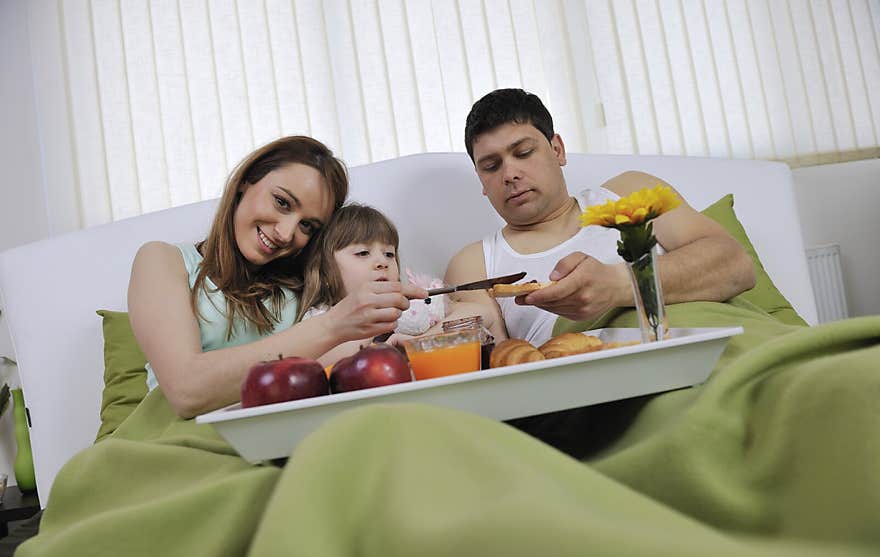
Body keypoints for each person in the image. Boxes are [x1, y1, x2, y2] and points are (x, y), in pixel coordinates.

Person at [128, 136, 426, 419]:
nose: (285, 233)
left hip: (282, 434)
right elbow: (186, 390)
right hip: (181, 443)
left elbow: (321, 366)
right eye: (282, 202)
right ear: (247, 180)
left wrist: (384, 349)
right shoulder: (162, 261)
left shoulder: (306, 288)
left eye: (307, 226)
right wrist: (333, 324)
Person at [445, 88, 756, 346]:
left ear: (557, 150)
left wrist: (617, 284)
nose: (510, 174)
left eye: (524, 152)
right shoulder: (476, 263)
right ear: (481, 180)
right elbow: (497, 361)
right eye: (491, 166)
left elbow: (736, 265)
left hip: (719, 339)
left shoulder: (630, 192)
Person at [298, 203, 507, 366]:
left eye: (389, 254)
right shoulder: (322, 319)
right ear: (325, 271)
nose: (383, 262)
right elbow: (319, 361)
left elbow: (481, 313)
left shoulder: (410, 307)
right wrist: (375, 323)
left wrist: (420, 344)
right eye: (363, 253)